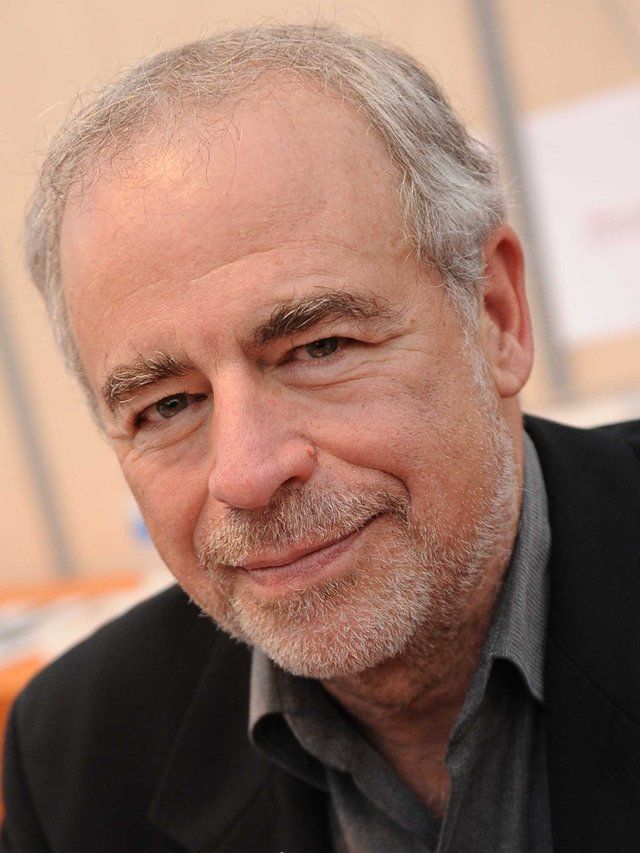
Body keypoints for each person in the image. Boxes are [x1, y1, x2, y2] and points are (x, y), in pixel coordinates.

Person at [2, 23, 639, 853]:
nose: (247, 472)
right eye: (167, 404)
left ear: (496, 316)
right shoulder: (77, 754)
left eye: (319, 348)